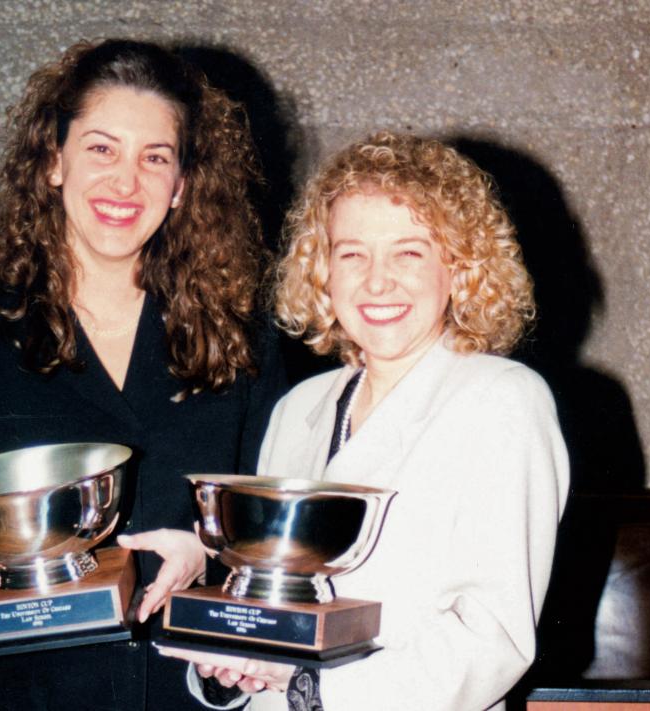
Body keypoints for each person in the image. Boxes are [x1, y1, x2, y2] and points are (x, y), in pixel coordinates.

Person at [0, 39, 286, 710]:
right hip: (2, 693)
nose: (127, 182)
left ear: (181, 187)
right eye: (101, 149)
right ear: (53, 161)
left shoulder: (248, 343)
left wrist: (210, 557)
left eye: (155, 158)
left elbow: (268, 533)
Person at [165, 131, 570, 710]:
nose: (377, 280)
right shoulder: (297, 409)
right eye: (351, 253)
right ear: (321, 271)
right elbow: (266, 599)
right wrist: (226, 670)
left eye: (409, 252)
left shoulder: (503, 400)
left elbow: (493, 637)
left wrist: (317, 691)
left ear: (459, 268)